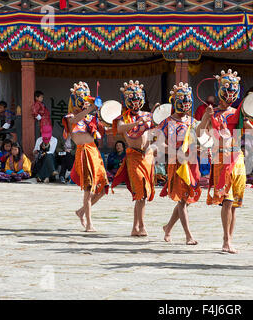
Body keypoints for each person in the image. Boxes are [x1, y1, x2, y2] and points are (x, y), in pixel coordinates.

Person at [196, 69, 253, 253]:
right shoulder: (212, 113)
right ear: (220, 91)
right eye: (226, 90)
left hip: (237, 158)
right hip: (220, 158)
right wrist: (204, 118)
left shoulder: (239, 113)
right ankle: (226, 240)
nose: (230, 94)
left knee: (234, 204)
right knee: (227, 200)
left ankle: (230, 239)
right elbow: (199, 134)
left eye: (233, 91)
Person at [158, 82, 202, 245]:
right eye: (182, 100)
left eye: (188, 100)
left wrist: (202, 149)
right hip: (176, 164)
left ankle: (168, 228)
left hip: (191, 163)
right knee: (182, 201)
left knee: (186, 200)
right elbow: (159, 145)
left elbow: (200, 141)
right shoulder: (166, 123)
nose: (185, 103)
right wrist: (175, 151)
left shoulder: (193, 122)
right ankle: (188, 236)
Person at [111, 80, 157, 237]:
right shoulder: (123, 117)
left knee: (144, 193)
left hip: (147, 156)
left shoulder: (147, 115)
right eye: (133, 98)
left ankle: (136, 227)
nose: (136, 101)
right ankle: (140, 226)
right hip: (133, 156)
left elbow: (157, 127)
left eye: (138, 98)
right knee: (140, 192)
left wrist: (156, 115)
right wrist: (137, 122)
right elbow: (121, 128)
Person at [63, 81, 109, 232]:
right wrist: (91, 109)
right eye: (80, 96)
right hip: (83, 152)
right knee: (88, 189)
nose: (83, 99)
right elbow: (75, 121)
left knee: (103, 189)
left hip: (94, 152)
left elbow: (106, 129)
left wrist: (107, 114)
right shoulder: (70, 116)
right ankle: (89, 223)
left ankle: (81, 211)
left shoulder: (91, 118)